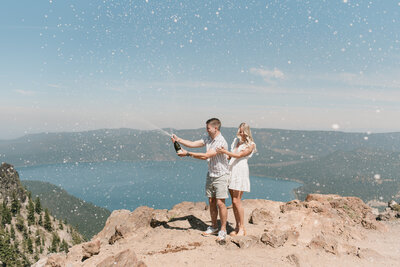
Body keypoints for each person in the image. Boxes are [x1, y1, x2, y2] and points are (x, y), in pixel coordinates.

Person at [171, 118, 229, 241]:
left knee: (220, 203)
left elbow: (206, 156)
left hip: (221, 175)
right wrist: (178, 140)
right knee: (211, 202)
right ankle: (214, 227)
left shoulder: (220, 142)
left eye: (208, 128)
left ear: (215, 128)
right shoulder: (209, 138)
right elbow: (193, 143)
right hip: (211, 174)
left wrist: (187, 154)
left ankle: (223, 229)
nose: (206, 130)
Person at [216, 122, 256, 236]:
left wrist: (224, 151)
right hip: (231, 169)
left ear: (247, 132)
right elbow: (230, 156)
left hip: (240, 171)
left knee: (236, 201)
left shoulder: (251, 144)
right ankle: (238, 227)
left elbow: (239, 156)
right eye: (239, 130)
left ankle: (242, 228)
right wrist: (222, 153)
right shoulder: (235, 142)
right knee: (234, 202)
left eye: (242, 131)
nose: (240, 132)